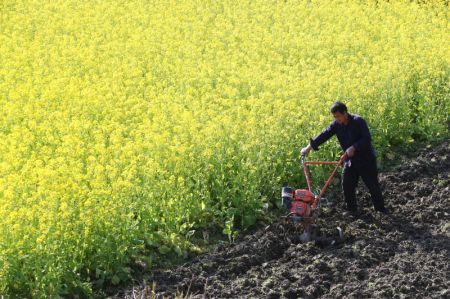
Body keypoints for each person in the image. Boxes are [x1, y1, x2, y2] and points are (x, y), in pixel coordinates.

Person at [301, 101, 388, 216]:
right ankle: (352, 210)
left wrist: (354, 147)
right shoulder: (336, 125)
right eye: (334, 117)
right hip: (350, 161)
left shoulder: (358, 121)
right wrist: (308, 148)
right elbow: (324, 135)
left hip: (366, 160)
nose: (336, 119)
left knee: (372, 186)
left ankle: (381, 211)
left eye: (338, 116)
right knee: (347, 185)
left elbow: (367, 139)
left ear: (345, 113)